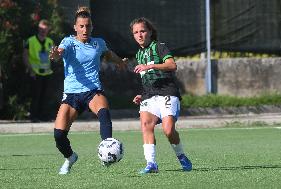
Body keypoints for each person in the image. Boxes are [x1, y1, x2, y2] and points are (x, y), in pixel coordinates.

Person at [49, 6, 127, 175]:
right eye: (82, 26)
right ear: (75, 27)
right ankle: (70, 157)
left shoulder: (98, 43)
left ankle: (108, 152)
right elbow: (59, 53)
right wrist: (55, 55)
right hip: (71, 94)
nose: (85, 29)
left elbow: (108, 54)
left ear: (92, 27)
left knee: (104, 113)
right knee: (58, 136)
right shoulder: (68, 42)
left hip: (92, 90)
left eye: (88, 26)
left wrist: (119, 61)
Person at [130, 17, 192, 174]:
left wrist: (151, 65)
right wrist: (141, 95)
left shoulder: (159, 47)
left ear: (150, 32)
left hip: (167, 92)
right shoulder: (139, 54)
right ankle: (151, 164)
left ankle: (181, 156)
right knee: (146, 125)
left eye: (142, 31)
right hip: (149, 96)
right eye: (136, 32)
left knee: (168, 130)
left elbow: (172, 65)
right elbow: (147, 79)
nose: (139, 35)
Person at [23, 19, 54, 122]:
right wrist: (30, 69)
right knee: (36, 95)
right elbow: (25, 56)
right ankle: (34, 116)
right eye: (41, 29)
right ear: (38, 28)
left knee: (46, 95)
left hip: (47, 73)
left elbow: (54, 57)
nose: (43, 31)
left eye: (45, 29)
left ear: (48, 29)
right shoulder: (30, 41)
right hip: (35, 72)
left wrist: (57, 55)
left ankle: (44, 116)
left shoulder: (50, 41)